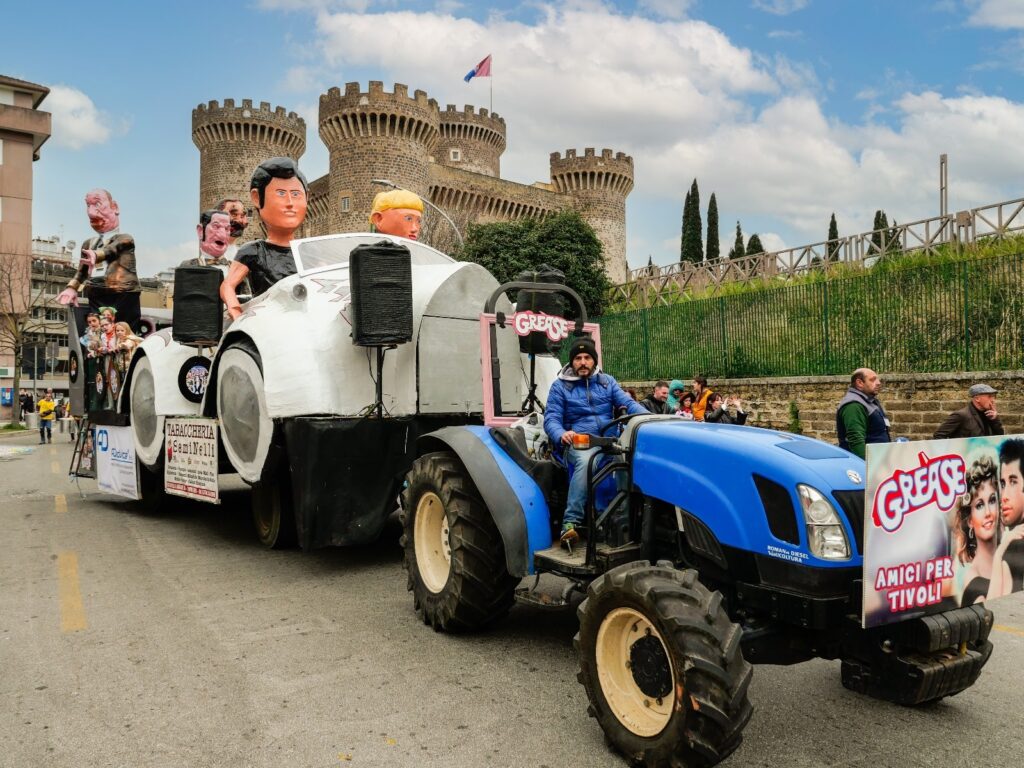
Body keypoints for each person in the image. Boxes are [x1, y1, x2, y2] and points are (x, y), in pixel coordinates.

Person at [543, 336, 647, 545]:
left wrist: (650, 418)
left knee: (633, 461)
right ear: (572, 362)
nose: (583, 362)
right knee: (586, 462)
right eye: (578, 358)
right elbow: (551, 418)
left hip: (611, 440)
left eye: (587, 357)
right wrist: (561, 433)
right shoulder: (560, 387)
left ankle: (624, 521)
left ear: (594, 361)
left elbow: (628, 403)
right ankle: (569, 523)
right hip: (581, 442)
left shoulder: (607, 382)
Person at [221, 158, 309, 320]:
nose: (290, 203)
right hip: (267, 323)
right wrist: (236, 313)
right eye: (281, 193)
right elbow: (228, 285)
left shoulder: (308, 251)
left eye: (295, 194)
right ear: (256, 198)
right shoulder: (253, 251)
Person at [57, 188, 142, 332]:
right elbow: (81, 272)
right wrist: (72, 288)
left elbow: (112, 249)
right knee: (98, 332)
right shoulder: (88, 243)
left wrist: (96, 255)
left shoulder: (125, 238)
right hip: (97, 294)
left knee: (123, 331)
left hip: (123, 294)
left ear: (114, 207)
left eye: (97, 204)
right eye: (88, 206)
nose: (91, 212)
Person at [953, 455, 1007, 606]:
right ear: (970, 520)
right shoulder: (973, 582)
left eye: (992, 500)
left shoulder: (1009, 558)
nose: (988, 512)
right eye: (979, 505)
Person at [989, 438, 1024, 597]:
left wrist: (1000, 553)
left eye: (1013, 482)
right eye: (1003, 484)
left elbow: (994, 602)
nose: (1004, 496)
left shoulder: (1016, 546)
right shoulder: (1011, 540)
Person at [836, 368, 890, 459]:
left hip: (878, 461)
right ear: (860, 383)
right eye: (872, 380)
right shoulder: (854, 405)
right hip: (866, 466)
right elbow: (856, 441)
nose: (878, 383)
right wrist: (868, 466)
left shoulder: (868, 401)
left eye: (877, 379)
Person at [933, 383, 1003, 439]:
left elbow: (1000, 437)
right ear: (977, 399)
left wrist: (995, 420)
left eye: (994, 396)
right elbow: (938, 436)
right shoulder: (961, 415)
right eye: (989, 396)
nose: (992, 399)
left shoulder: (989, 415)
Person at [180, 209, 233, 274]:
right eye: (216, 227)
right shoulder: (188, 266)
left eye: (227, 229)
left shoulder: (236, 269)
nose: (223, 236)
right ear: (201, 231)